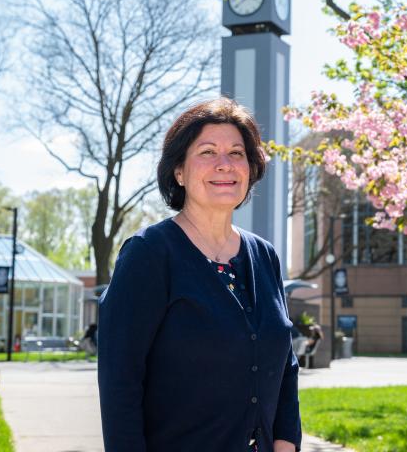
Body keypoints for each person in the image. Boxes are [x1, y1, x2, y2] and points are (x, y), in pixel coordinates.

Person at [98, 98, 301, 452]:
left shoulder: (264, 255)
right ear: (179, 171)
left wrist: (286, 442)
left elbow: (285, 366)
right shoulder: (149, 253)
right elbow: (120, 382)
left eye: (237, 153)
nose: (225, 165)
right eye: (207, 152)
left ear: (250, 168)